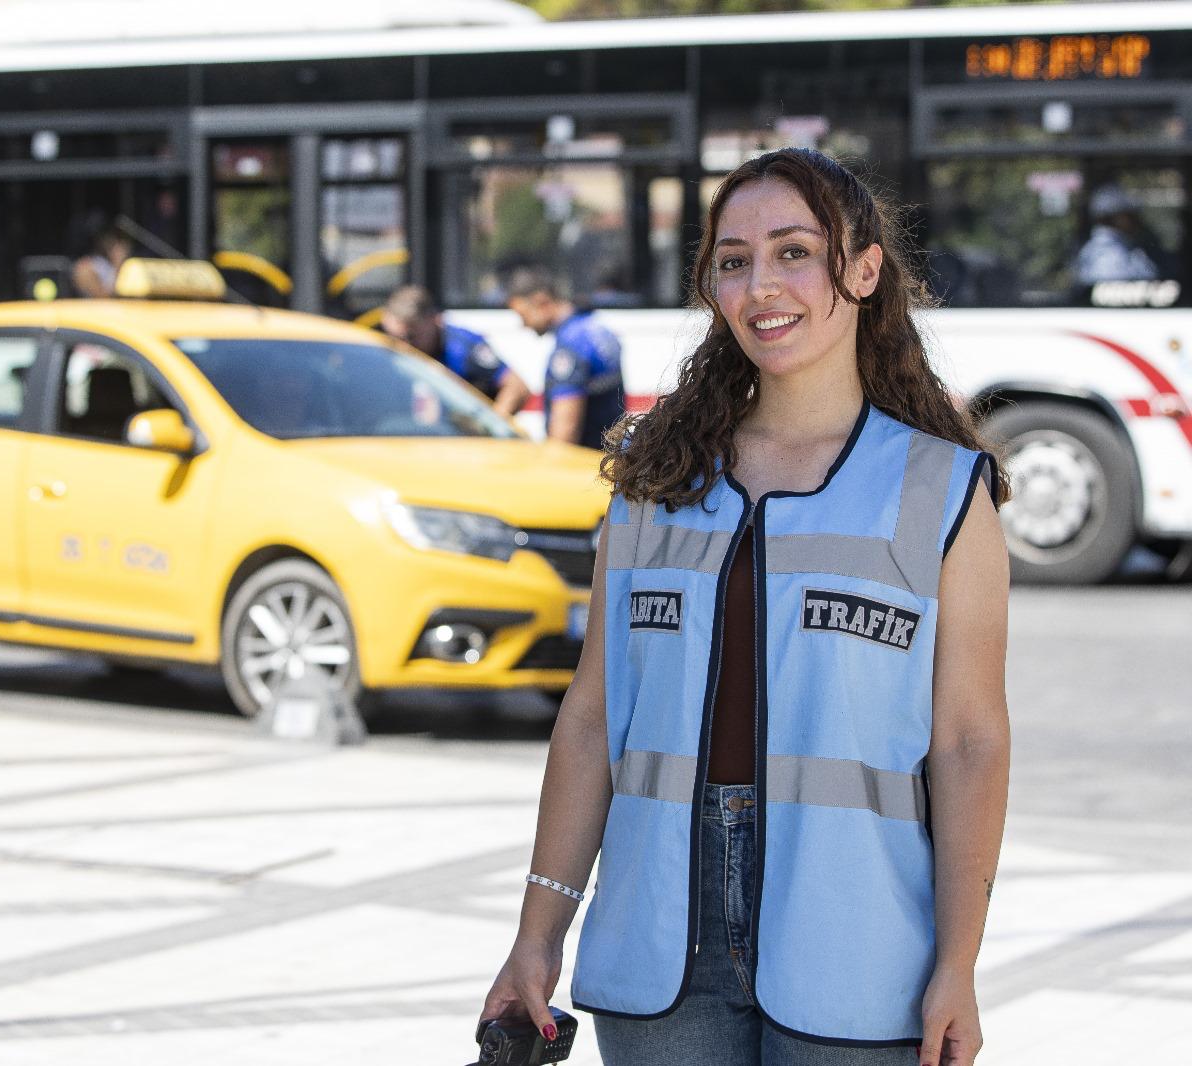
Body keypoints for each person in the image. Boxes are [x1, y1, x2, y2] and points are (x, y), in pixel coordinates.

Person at [478, 148, 1012, 1066]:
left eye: (794, 251)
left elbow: (970, 743)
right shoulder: (653, 478)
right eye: (734, 261)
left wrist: (958, 964)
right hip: (657, 943)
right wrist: (537, 935)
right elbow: (592, 718)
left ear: (864, 270)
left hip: (858, 953)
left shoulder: (945, 488)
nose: (761, 284)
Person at [493, 267, 625, 450]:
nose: (523, 324)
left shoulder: (568, 349)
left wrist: (551, 463)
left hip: (584, 460)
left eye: (523, 315)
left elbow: (564, 432)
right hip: (608, 453)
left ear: (542, 302)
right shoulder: (597, 330)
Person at [379, 285, 507, 400]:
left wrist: (492, 418)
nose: (404, 347)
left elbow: (513, 384)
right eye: (395, 339)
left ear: (434, 320)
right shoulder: (384, 351)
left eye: (411, 337)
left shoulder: (462, 347)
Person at [1075, 184, 1174, 286]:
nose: (1136, 220)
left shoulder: (1123, 245)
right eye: (1128, 215)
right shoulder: (1108, 254)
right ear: (1110, 218)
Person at [71, 220, 134, 298]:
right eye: (109, 237)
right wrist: (117, 264)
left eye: (119, 239)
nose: (117, 244)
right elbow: (104, 297)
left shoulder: (128, 265)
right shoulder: (84, 267)